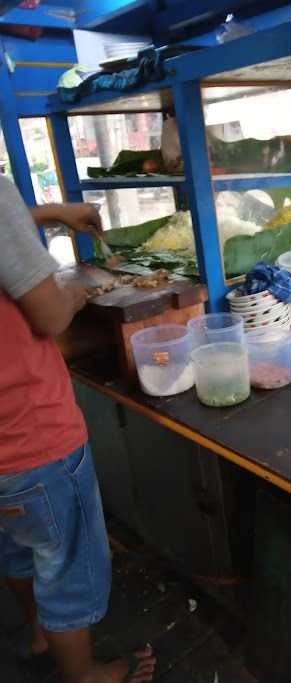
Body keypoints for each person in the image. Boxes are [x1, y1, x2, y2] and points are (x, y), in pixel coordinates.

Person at [0, 176, 156, 683]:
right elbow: (48, 317)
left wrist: (49, 214)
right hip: (33, 436)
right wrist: (72, 293)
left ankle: (42, 634)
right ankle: (85, 674)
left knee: (21, 545)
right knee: (66, 566)